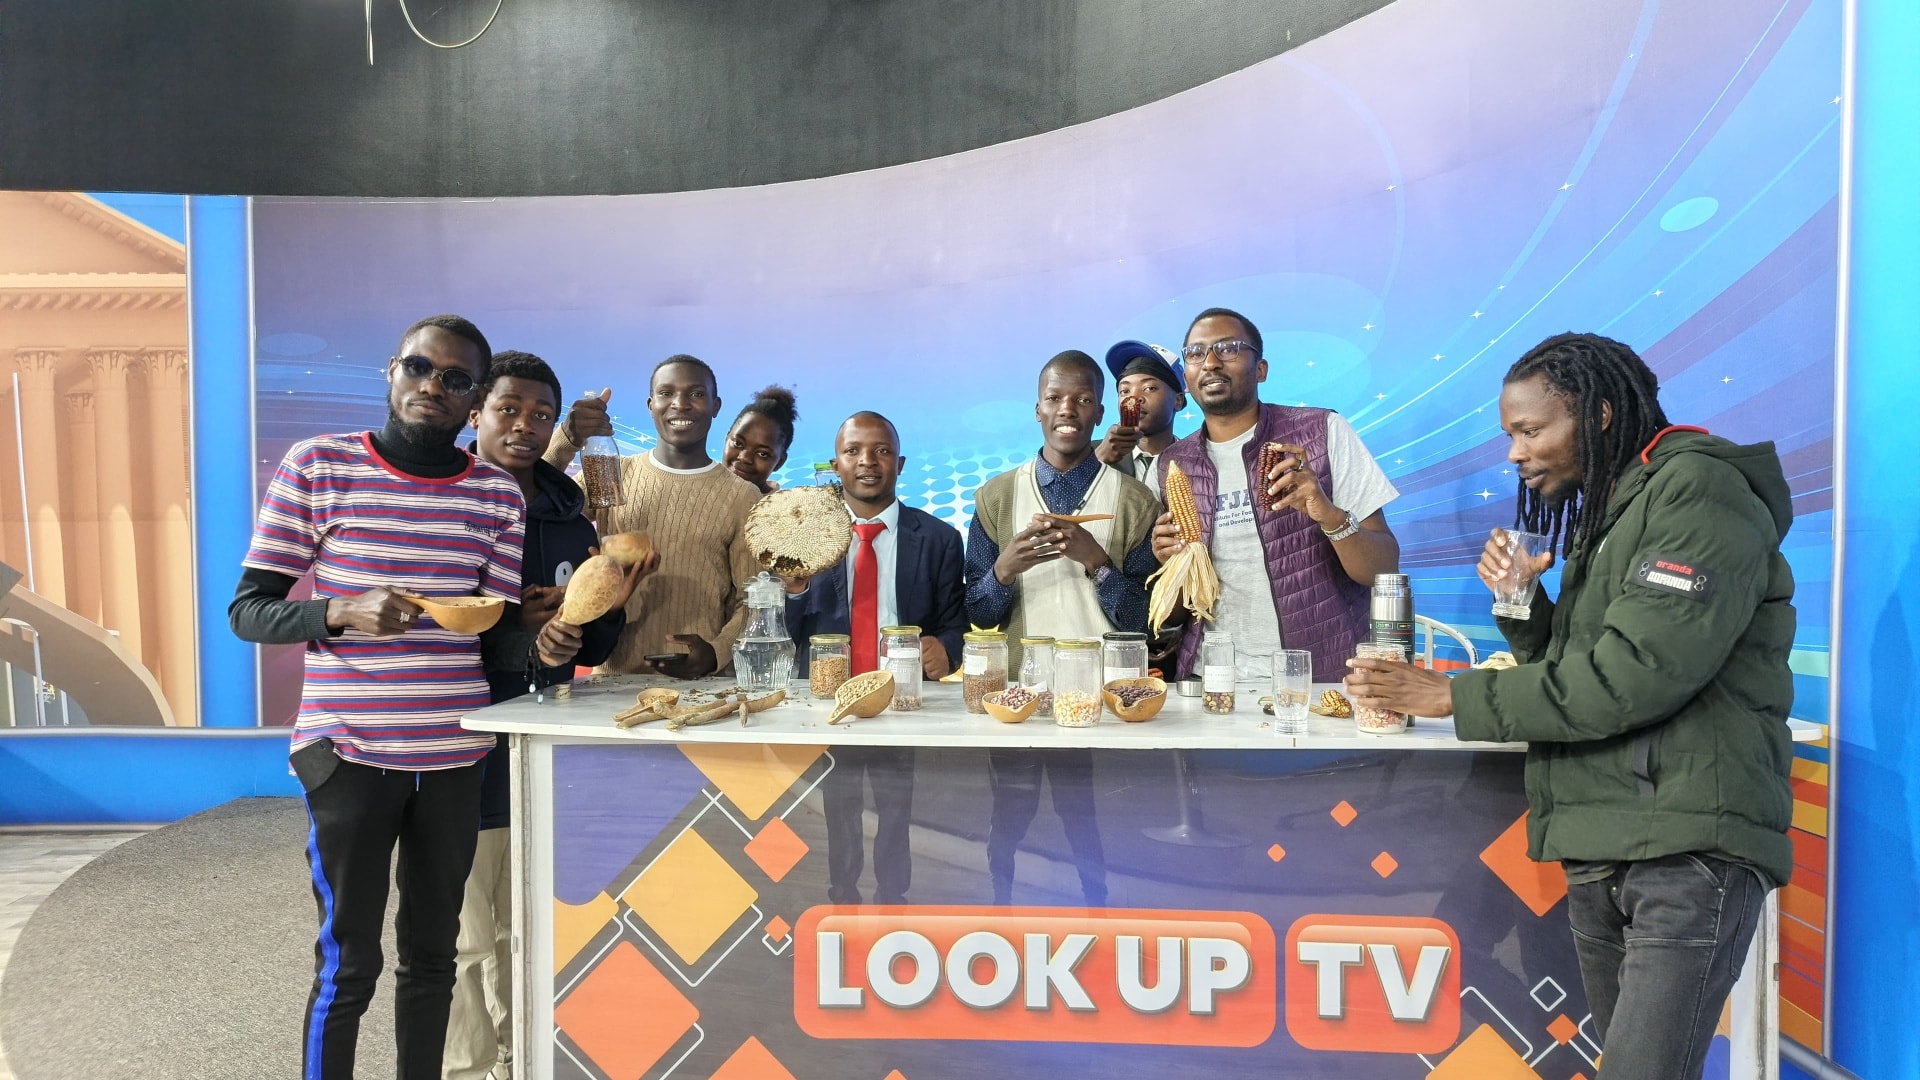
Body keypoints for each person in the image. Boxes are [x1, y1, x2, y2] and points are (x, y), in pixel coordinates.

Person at [1344, 333, 1795, 1080]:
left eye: (1530, 430)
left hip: (1683, 850)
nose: (1515, 454)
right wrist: (1523, 604)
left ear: (1601, 413)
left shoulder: (1698, 491)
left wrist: (1450, 694)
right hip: (1606, 841)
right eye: (1510, 435)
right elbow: (1578, 674)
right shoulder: (1617, 506)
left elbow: (1636, 676)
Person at [229, 315, 524, 1080]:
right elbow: (248, 611)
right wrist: (339, 611)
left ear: (474, 400)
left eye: (455, 378)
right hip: (349, 752)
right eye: (420, 367)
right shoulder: (318, 465)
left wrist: (550, 631)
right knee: (349, 960)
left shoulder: (496, 496)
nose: (433, 385)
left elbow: (494, 634)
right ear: (392, 371)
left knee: (433, 956)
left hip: (455, 756)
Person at [446, 352, 652, 1080]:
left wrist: (604, 608)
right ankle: (467, 1067)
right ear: (476, 413)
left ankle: (522, 1061)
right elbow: (434, 622)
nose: (524, 427)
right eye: (508, 410)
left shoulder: (571, 516)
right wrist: (515, 628)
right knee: (464, 937)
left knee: (530, 928)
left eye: (541, 415)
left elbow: (590, 646)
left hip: (544, 751)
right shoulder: (448, 503)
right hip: (459, 749)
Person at [965, 350, 1159, 907]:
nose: (1067, 410)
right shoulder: (997, 497)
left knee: (1090, 817)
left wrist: (1098, 563)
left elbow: (1145, 622)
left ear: (1100, 412)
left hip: (1106, 696)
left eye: (1082, 399)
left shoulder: (1134, 501)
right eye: (1054, 398)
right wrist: (1004, 569)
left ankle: (1100, 909)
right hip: (1020, 695)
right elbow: (978, 612)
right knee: (1010, 815)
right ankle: (1001, 907)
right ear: (1037, 410)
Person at [1152, 307, 1400, 683]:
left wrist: (1330, 516)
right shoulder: (1173, 463)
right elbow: (1178, 614)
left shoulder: (1323, 432)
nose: (1211, 362)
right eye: (1196, 353)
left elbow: (1383, 570)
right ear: (1186, 377)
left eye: (1229, 348)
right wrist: (1171, 565)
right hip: (1213, 679)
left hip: (1318, 679)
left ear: (1261, 369)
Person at [783, 411, 966, 905]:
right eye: (853, 451)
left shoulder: (940, 539)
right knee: (839, 806)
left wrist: (946, 648)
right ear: (836, 465)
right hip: (831, 703)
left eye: (882, 451)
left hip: (901, 701)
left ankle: (893, 899)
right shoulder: (806, 540)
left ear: (900, 464)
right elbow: (785, 635)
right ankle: (842, 896)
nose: (868, 461)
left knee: (897, 807)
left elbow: (956, 624)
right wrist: (794, 592)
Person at [543, 355, 761, 678]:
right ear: (650, 405)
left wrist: (717, 653)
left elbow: (752, 598)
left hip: (701, 687)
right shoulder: (612, 473)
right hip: (610, 684)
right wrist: (567, 439)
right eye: (666, 393)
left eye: (696, 394)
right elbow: (537, 503)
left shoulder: (742, 496)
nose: (680, 404)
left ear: (716, 406)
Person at [1094, 340, 1186, 496]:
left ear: (1178, 400)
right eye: (1125, 391)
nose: (1134, 398)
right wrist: (1098, 460)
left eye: (1149, 388)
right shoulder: (1087, 454)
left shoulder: (1199, 459)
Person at [721, 384, 798, 493]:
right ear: (726, 438)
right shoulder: (699, 487)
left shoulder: (782, 503)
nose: (745, 458)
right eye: (738, 443)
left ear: (779, 462)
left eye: (763, 454)